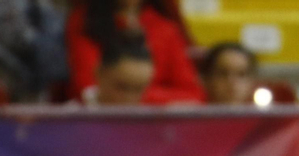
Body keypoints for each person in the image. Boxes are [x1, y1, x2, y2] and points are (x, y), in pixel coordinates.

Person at [66, 0, 200, 103]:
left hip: (154, 124)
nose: (131, 96)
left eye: (137, 89)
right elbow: (87, 87)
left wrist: (139, 95)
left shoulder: (166, 28)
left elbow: (193, 94)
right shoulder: (85, 22)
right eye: (124, 87)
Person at [88, 33, 152, 105]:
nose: (129, 98)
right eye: (122, 87)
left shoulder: (150, 109)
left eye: (138, 89)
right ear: (99, 73)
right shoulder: (78, 109)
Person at [199, 40, 254, 105]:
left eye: (241, 74)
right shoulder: (191, 109)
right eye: (223, 74)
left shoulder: (262, 111)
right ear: (206, 79)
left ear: (252, 81)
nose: (232, 82)